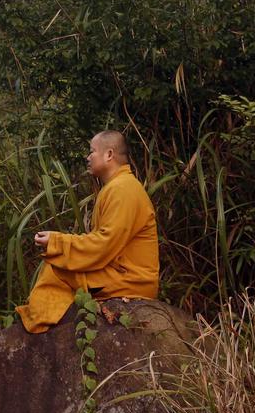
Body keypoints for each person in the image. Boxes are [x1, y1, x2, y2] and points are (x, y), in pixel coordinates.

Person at [15, 130, 159, 333]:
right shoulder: (116, 187)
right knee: (58, 263)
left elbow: (103, 245)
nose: (88, 157)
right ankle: (44, 326)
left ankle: (38, 327)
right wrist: (58, 242)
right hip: (119, 271)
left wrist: (57, 243)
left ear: (109, 154)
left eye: (92, 151)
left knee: (57, 269)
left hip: (131, 278)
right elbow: (101, 242)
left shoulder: (124, 189)